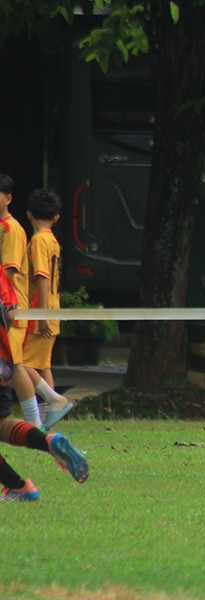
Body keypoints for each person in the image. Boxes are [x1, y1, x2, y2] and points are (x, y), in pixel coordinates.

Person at [0, 266, 89, 501]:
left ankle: (19, 487)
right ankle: (49, 442)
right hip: (2, 361)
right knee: (1, 426)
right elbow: (10, 315)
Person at [22, 188, 73, 429]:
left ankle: (54, 399)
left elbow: (42, 278)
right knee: (43, 365)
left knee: (21, 364)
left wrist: (41, 315)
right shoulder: (52, 240)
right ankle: (52, 412)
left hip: (40, 311)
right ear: (56, 218)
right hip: (53, 310)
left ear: (29, 215)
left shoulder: (38, 241)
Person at [0, 174, 43, 428]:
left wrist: (7, 307)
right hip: (5, 306)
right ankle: (52, 401)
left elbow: (8, 272)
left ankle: (36, 423)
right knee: (14, 363)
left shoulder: (11, 229)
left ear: (8, 198)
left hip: (11, 307)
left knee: (16, 365)